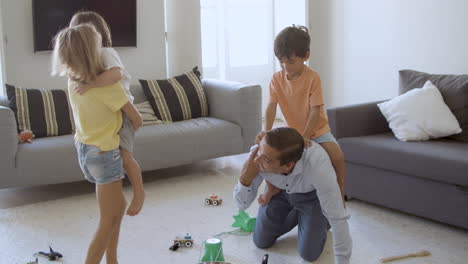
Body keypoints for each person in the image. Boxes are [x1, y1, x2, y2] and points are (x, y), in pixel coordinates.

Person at [51, 24, 142, 264]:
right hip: (104, 153)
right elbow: (137, 118)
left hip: (86, 152)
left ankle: (112, 260)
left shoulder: (73, 83)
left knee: (118, 206)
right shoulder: (108, 88)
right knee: (107, 220)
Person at [256, 25, 346, 206]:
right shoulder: (276, 79)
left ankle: (340, 194)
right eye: (281, 62)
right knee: (268, 154)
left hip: (317, 130)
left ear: (306, 56)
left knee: (337, 156)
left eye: (290, 62)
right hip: (291, 131)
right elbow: (271, 107)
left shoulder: (313, 78)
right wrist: (266, 131)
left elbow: (315, 111)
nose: (285, 67)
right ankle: (271, 187)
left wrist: (305, 136)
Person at [234, 127, 352, 263]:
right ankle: (303, 217)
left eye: (266, 159)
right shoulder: (258, 155)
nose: (257, 160)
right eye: (260, 150)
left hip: (312, 197)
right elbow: (241, 204)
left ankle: (320, 219)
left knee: (309, 254)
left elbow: (338, 219)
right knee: (260, 241)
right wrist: (245, 178)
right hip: (278, 192)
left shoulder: (318, 166)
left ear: (288, 165)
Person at [69, 11, 145, 216]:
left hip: (124, 111)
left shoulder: (106, 52)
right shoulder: (87, 62)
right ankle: (116, 198)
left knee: (126, 157)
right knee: (114, 158)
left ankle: (139, 192)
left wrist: (90, 83)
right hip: (110, 114)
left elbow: (116, 74)